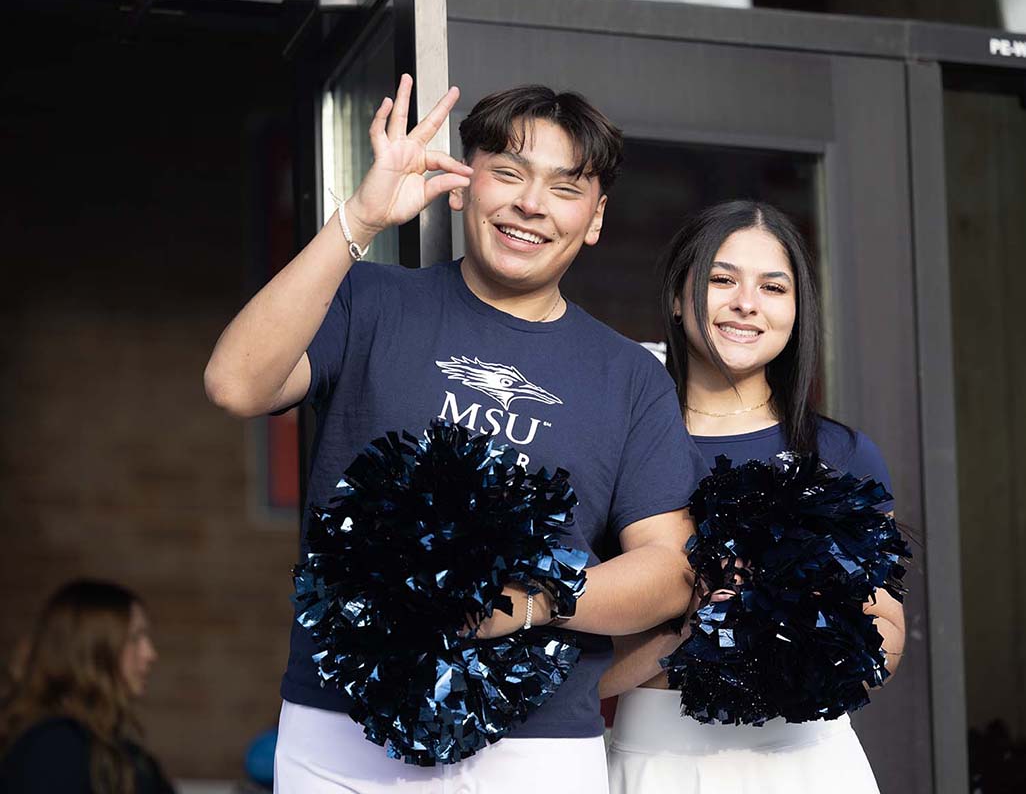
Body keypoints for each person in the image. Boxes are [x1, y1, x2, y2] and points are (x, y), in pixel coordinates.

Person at [203, 75, 706, 793]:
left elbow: (669, 571)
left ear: (595, 218)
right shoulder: (371, 300)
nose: (531, 204)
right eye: (509, 172)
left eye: (566, 189)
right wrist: (362, 222)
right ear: (465, 185)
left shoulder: (627, 376)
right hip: (340, 722)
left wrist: (523, 605)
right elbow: (235, 384)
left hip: (536, 745)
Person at [601, 200, 905, 794]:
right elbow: (578, 668)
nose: (747, 303)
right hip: (659, 762)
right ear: (675, 296)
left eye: (773, 286)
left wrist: (816, 662)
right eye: (721, 279)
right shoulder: (616, 451)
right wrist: (690, 630)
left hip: (812, 760)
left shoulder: (842, 454)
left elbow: (885, 625)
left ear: (797, 312)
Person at [0, 580, 173, 794]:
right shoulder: (54, 748)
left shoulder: (121, 751)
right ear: (92, 650)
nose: (150, 654)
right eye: (135, 638)